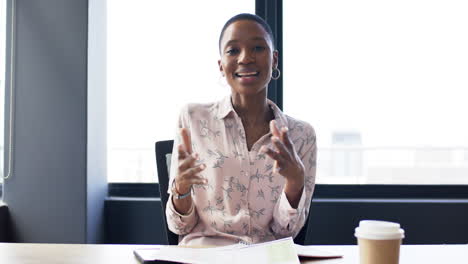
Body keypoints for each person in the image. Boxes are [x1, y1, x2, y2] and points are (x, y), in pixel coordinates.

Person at [166, 13, 317, 246]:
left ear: (274, 60)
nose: (245, 58)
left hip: (266, 259)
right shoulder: (193, 119)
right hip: (203, 258)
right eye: (233, 50)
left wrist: (295, 185)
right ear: (221, 65)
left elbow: (285, 232)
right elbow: (179, 226)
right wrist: (181, 189)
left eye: (258, 48)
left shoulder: (301, 136)